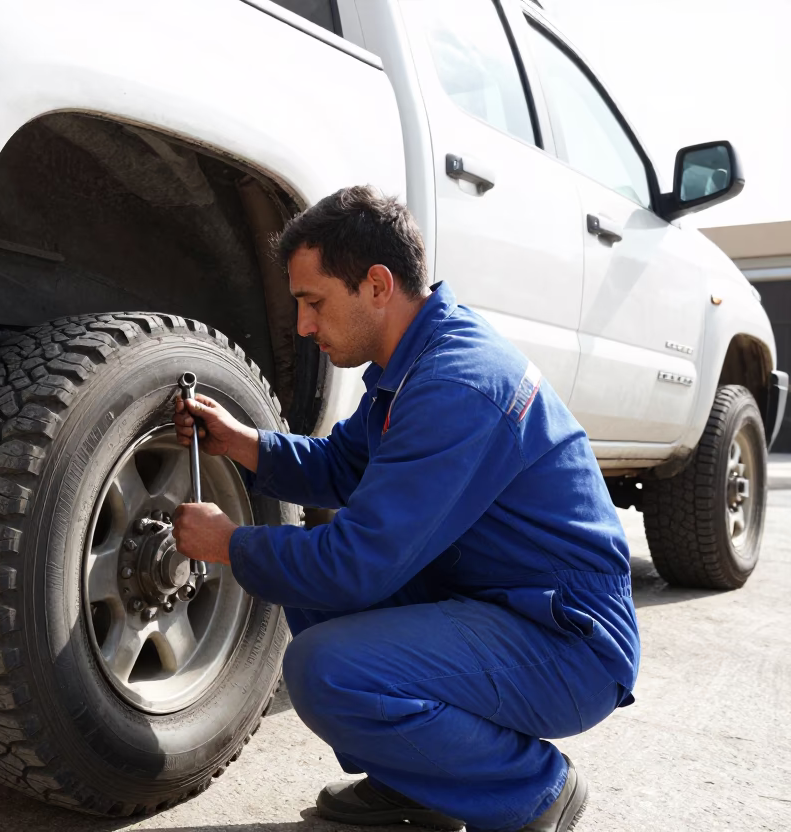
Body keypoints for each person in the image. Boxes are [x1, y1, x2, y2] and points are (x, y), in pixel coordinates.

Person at [171, 186, 639, 832]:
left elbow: (355, 565)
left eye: (314, 302)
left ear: (377, 285)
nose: (304, 326)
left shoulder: (457, 382)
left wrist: (230, 545)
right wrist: (244, 444)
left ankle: (534, 791)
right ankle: (415, 781)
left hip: (568, 641)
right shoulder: (414, 362)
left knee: (322, 668)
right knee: (309, 581)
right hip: (499, 600)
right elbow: (341, 467)